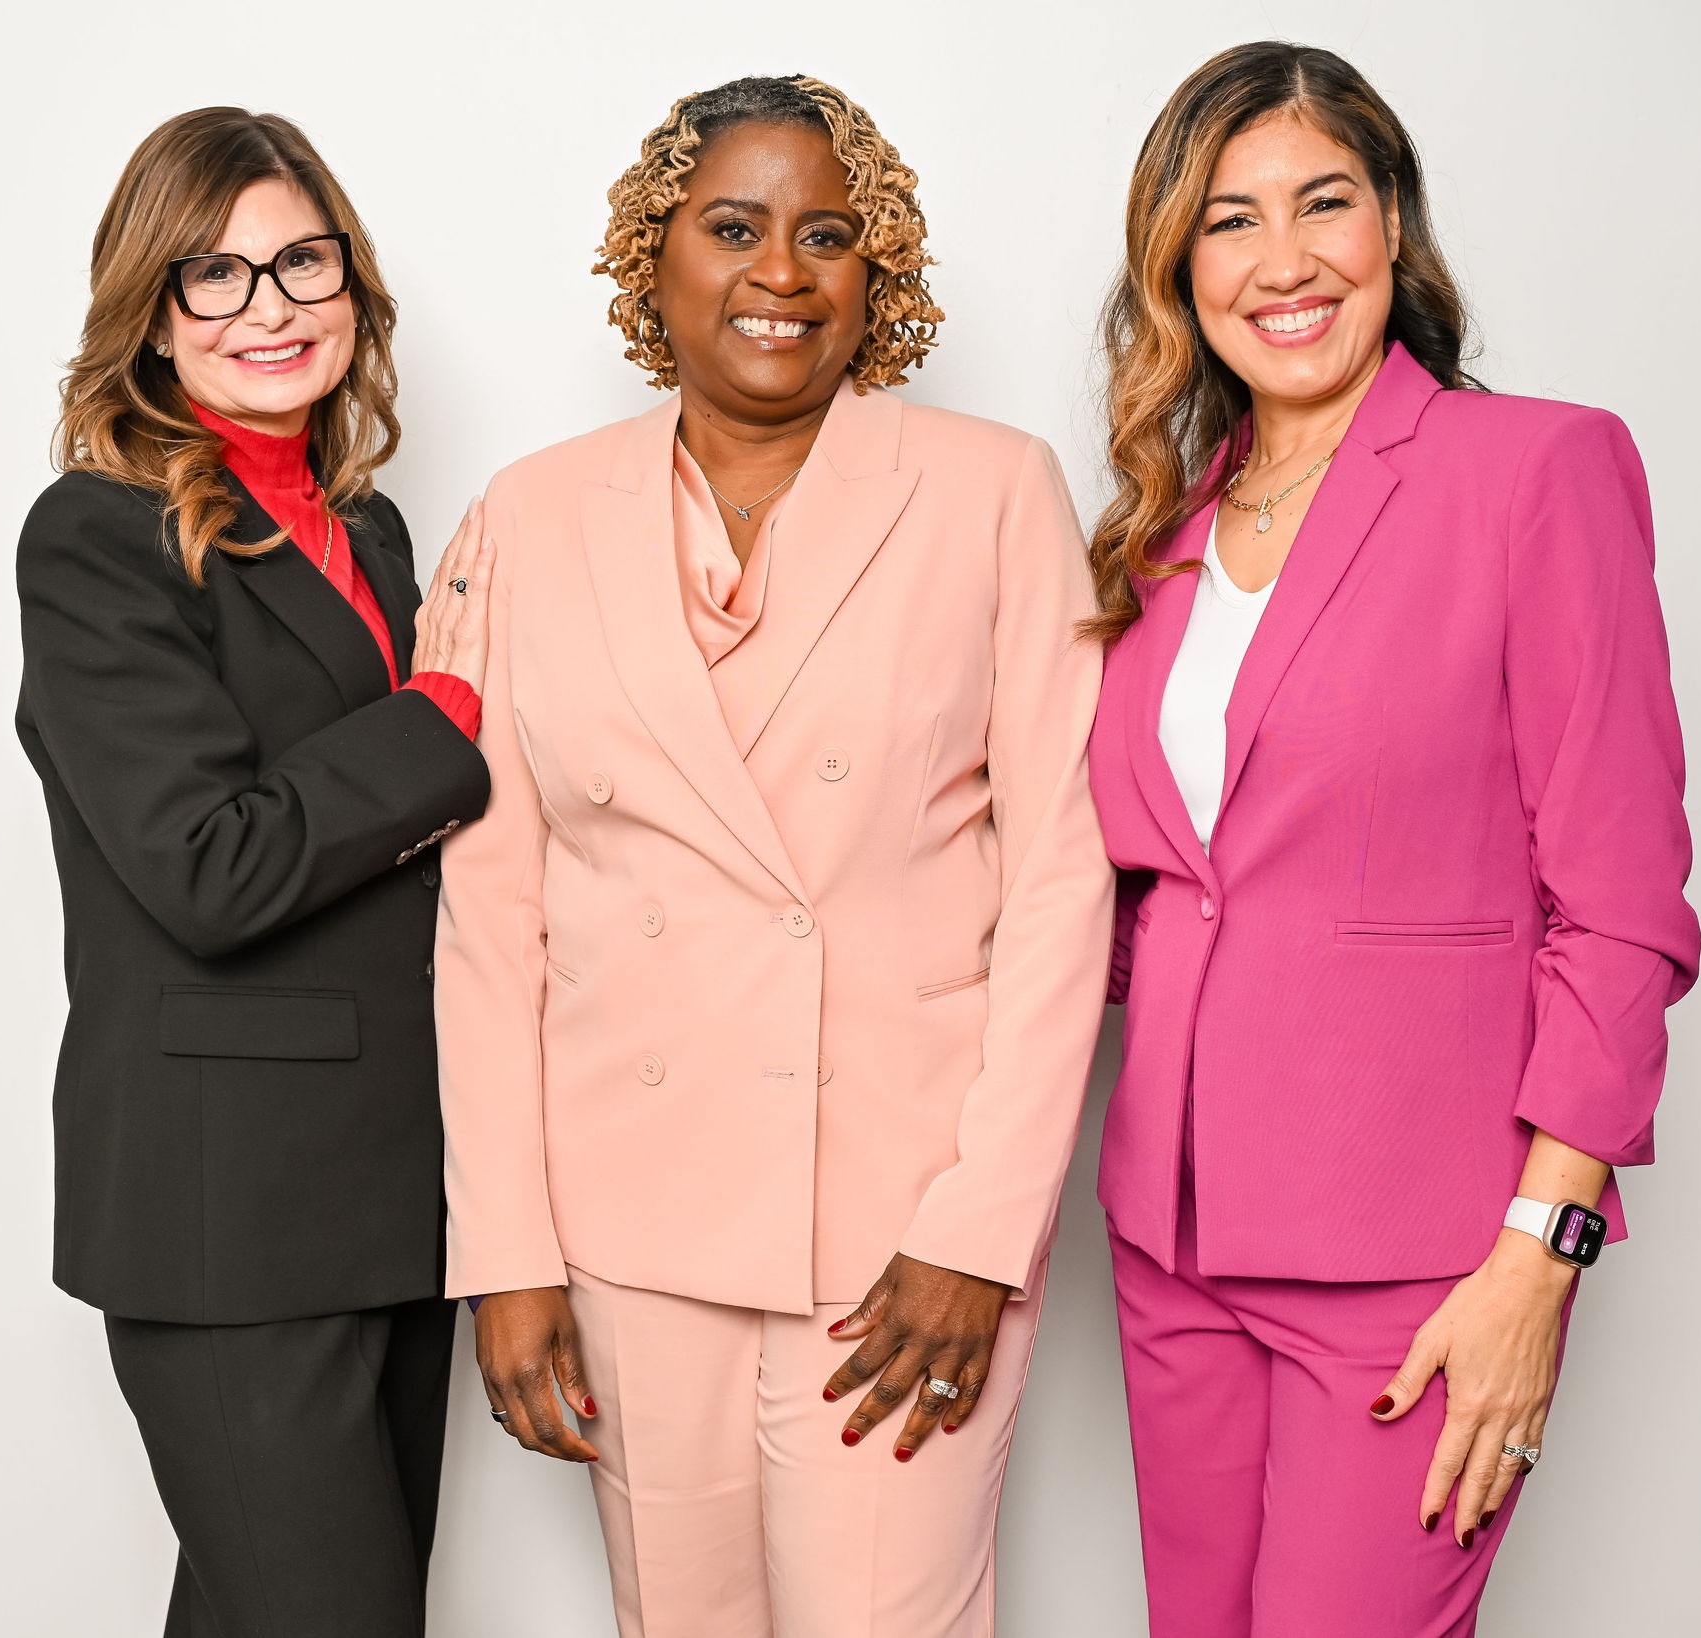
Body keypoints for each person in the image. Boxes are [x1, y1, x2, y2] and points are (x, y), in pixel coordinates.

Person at [432, 74, 1112, 1638]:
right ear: (653, 253)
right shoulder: (532, 514)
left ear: (878, 269)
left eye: (829, 235)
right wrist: (507, 1251)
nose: (782, 274)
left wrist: (979, 1232)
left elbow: (1063, 883)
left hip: (899, 1228)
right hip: (629, 1226)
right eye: (733, 228)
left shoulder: (992, 490)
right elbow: (491, 911)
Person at [1084, 43, 1701, 1636]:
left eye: (1325, 203)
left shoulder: (1535, 470)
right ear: (1178, 265)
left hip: (1423, 1260)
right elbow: (1165, 891)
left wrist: (1539, 1256)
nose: (1282, 260)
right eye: (1230, 220)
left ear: (1394, 227)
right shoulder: (1164, 523)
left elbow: (1621, 908)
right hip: (1170, 1239)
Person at [16, 107, 493, 1638]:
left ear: (351, 284)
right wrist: (442, 721)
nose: (268, 305)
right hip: (228, 1219)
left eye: (302, 262)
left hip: (398, 1199)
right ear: (152, 315)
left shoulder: (371, 530)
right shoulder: (96, 538)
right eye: (213, 274)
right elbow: (206, 865)